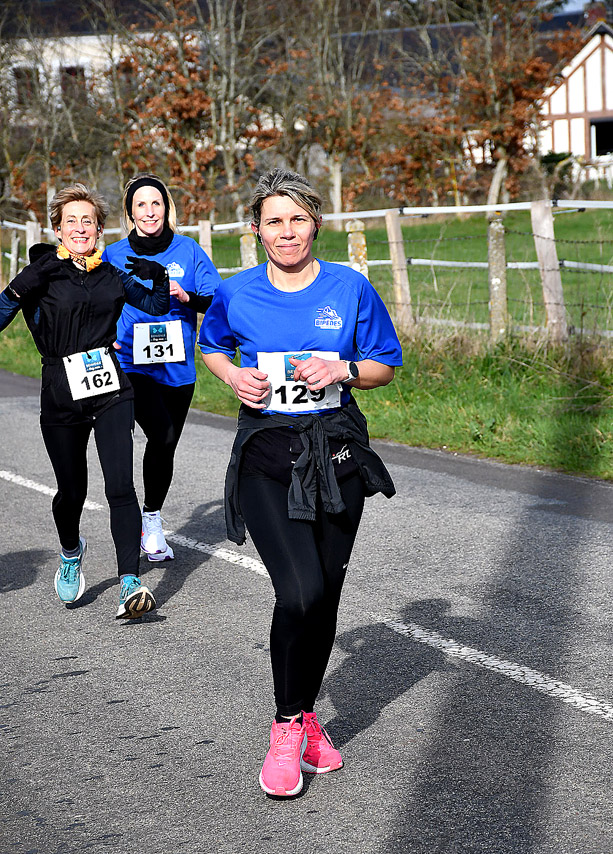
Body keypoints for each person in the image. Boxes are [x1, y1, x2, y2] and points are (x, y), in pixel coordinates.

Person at [198, 167, 403, 797]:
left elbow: (385, 365)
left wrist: (344, 369)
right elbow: (212, 345)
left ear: (315, 224)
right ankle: (286, 729)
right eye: (273, 221)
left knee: (326, 597)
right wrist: (234, 377)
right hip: (266, 455)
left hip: (337, 454)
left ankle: (309, 717)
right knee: (299, 592)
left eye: (297, 219)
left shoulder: (350, 287)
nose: (286, 232)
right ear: (256, 230)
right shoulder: (236, 292)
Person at [0, 183, 173, 619]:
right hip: (60, 393)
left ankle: (130, 582)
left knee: (120, 486)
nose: (80, 228)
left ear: (99, 230)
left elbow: (155, 305)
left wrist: (158, 276)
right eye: (71, 221)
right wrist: (19, 288)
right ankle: (70, 551)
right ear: (58, 229)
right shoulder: (43, 273)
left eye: (89, 221)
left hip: (110, 389)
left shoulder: (111, 275)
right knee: (71, 490)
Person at [103, 175, 221, 562]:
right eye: (141, 204)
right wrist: (103, 338)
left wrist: (187, 296)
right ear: (130, 212)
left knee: (165, 444)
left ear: (166, 208)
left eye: (156, 203)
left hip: (177, 366)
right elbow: (95, 304)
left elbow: (217, 302)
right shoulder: (113, 255)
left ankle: (150, 518)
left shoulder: (188, 251)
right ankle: (134, 520)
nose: (150, 211)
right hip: (130, 363)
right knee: (162, 431)